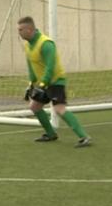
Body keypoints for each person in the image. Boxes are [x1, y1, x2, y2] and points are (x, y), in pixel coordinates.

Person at [17, 16, 91, 148]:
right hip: (42, 83)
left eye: (21, 29)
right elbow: (31, 66)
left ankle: (83, 136)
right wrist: (31, 83)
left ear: (29, 29)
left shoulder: (46, 44)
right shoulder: (28, 46)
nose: (19, 32)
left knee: (59, 108)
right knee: (34, 107)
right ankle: (51, 134)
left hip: (56, 81)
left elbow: (50, 67)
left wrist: (43, 84)